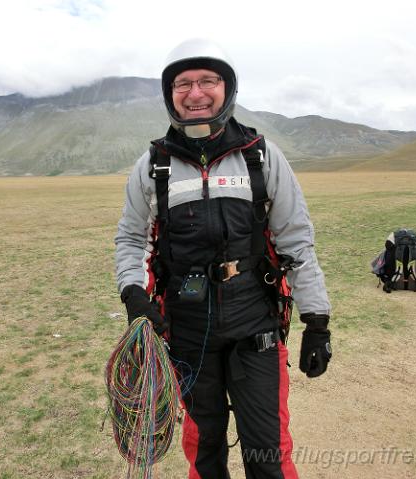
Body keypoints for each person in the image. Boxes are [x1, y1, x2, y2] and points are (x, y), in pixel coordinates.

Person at [115, 38, 332, 479]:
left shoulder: (260, 155)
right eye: (183, 84)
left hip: (256, 326)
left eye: (208, 81)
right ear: (169, 94)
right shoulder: (152, 166)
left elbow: (296, 242)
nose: (195, 93)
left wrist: (317, 321)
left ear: (227, 88)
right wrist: (132, 292)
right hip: (186, 332)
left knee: (268, 453)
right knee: (203, 448)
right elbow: (132, 239)